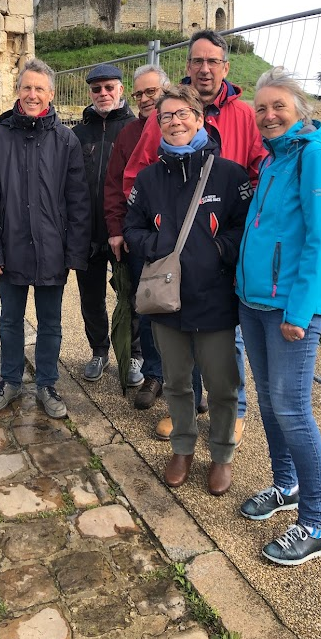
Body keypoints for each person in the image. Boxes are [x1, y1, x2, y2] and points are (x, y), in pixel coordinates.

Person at [123, 30, 267, 444]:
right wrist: (155, 239)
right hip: (173, 252)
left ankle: (232, 415)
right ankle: (185, 411)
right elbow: (140, 172)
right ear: (187, 67)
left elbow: (257, 171)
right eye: (197, 61)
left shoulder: (241, 115)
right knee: (178, 342)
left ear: (226, 67)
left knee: (225, 343)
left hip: (220, 249)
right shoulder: (168, 113)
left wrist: (223, 243)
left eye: (213, 61)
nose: (205, 68)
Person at [236, 67, 321, 565]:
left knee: (294, 410)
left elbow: (320, 244)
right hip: (255, 302)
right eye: (261, 108)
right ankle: (286, 487)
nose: (268, 115)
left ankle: (317, 523)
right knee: (270, 405)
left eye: (278, 105)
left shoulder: (315, 159)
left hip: (291, 308)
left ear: (299, 108)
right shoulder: (275, 159)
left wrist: (299, 311)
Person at [124, 85, 252, 496]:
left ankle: (221, 454)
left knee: (222, 385)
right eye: (166, 117)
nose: (175, 122)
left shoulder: (230, 175)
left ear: (200, 119)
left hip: (214, 300)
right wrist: (159, 247)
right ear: (157, 124)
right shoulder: (149, 178)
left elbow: (242, 228)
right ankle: (182, 447)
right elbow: (132, 228)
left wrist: (215, 249)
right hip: (166, 301)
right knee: (178, 382)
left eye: (182, 114)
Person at [0, 58, 90, 419]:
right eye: (26, 87)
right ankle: (10, 381)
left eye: (39, 88)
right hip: (10, 248)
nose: (32, 94)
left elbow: (77, 201)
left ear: (51, 94)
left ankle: (47, 383)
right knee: (10, 320)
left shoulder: (66, 140)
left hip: (51, 249)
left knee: (51, 323)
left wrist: (74, 254)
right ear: (17, 91)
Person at [104, 64, 174, 410]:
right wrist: (116, 229)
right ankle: (154, 374)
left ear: (166, 90)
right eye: (140, 94)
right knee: (147, 305)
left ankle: (189, 382)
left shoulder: (182, 126)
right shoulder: (129, 134)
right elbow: (115, 184)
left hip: (182, 237)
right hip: (142, 236)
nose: (146, 99)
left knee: (188, 308)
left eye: (152, 92)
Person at [72, 63, 142, 386]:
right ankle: (98, 349)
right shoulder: (78, 133)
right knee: (91, 296)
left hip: (123, 232)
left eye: (109, 88)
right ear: (90, 92)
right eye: (97, 89)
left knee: (131, 297)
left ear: (121, 90)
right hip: (86, 231)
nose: (103, 94)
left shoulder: (133, 129)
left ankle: (134, 356)